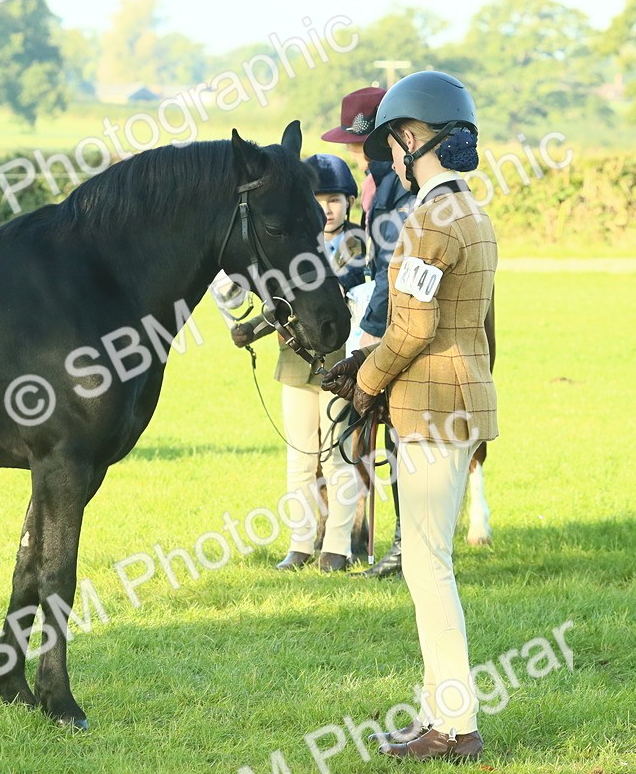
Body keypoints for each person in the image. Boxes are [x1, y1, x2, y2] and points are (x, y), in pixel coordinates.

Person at [322, 71, 497, 761]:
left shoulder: (429, 219)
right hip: (462, 400)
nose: (391, 156)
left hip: (430, 406)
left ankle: (455, 727)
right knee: (433, 562)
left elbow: (413, 326)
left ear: (413, 138)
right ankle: (437, 717)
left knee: (428, 568)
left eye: (394, 142)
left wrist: (363, 382)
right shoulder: (473, 213)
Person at [228, 153, 364, 573]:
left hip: (339, 361)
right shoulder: (298, 243)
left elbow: (335, 295)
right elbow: (287, 300)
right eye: (319, 198)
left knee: (337, 457)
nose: (327, 207)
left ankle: (338, 547)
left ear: (349, 202)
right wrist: (255, 326)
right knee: (300, 457)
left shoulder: (356, 244)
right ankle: (300, 543)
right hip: (295, 360)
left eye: (336, 199)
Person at [322, 86, 415, 578]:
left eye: (359, 145)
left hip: (400, 321)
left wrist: (370, 332)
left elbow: (393, 267)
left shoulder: (398, 187)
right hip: (381, 310)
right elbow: (371, 261)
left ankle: (405, 542)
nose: (354, 153)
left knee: (402, 431)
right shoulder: (376, 180)